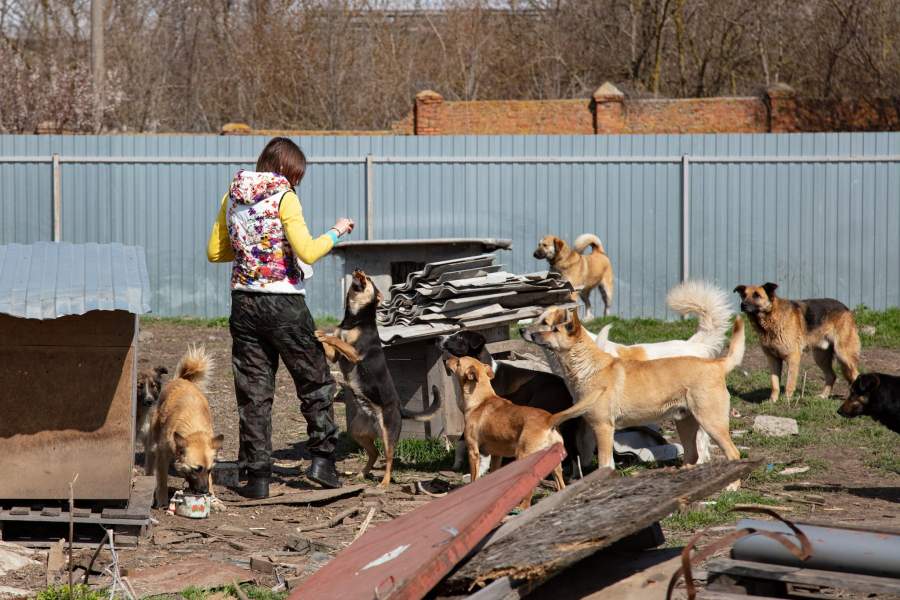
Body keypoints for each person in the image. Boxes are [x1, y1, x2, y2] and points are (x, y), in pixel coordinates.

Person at [206, 137, 354, 499]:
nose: (296, 181)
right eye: (296, 174)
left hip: (244, 303)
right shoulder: (285, 197)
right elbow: (308, 251)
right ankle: (323, 462)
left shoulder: (231, 196)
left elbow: (215, 252)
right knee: (314, 382)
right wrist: (337, 231)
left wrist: (253, 251)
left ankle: (257, 476)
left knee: (253, 392)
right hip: (284, 303)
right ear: (286, 168)